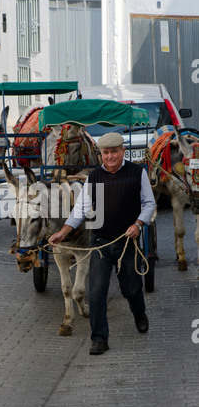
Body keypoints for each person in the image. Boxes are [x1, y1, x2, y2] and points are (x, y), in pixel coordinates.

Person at [49, 133, 156, 355]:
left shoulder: (138, 173)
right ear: (101, 154)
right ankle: (99, 339)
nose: (110, 156)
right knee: (96, 292)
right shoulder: (94, 177)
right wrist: (63, 232)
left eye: (114, 152)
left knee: (132, 289)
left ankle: (139, 313)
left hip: (127, 241)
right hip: (100, 243)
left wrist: (138, 224)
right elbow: (80, 210)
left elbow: (149, 204)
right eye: (106, 153)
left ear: (122, 151)